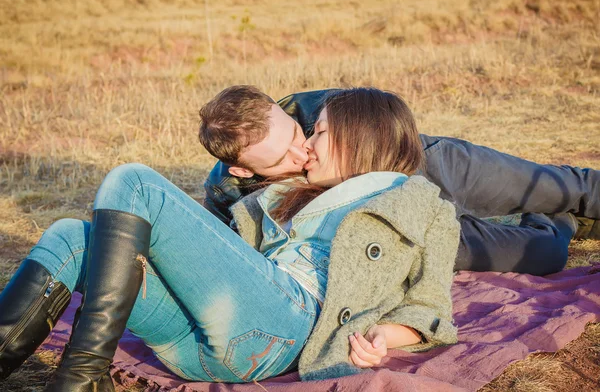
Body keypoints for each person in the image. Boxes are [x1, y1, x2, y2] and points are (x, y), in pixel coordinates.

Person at [0, 87, 460, 390]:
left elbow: (433, 307)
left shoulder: (420, 203)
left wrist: (386, 335)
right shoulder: (288, 191)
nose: (308, 147)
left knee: (134, 181)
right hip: (198, 346)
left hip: (286, 326)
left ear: (358, 136)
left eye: (317, 132)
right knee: (72, 237)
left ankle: (81, 376)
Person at [201, 86, 600, 275]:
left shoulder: (312, 107)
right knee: (546, 254)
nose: (301, 153)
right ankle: (559, 220)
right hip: (397, 225)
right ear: (243, 171)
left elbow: (384, 120)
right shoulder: (228, 198)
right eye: (281, 159)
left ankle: (562, 205)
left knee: (569, 187)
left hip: (424, 165)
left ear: (280, 109)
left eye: (297, 135)